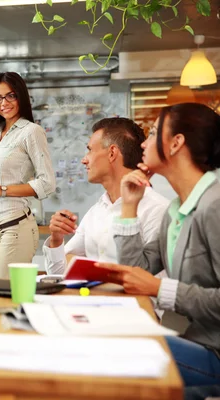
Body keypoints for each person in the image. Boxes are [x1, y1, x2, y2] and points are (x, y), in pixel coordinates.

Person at [94, 103, 220, 396]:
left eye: (152, 133)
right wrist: (129, 206)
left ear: (176, 143)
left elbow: (148, 282)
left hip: (214, 352)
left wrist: (159, 289)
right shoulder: (176, 210)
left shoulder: (214, 205)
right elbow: (136, 270)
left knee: (114, 356)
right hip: (196, 343)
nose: (143, 143)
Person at [43, 117, 169, 275]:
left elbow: (145, 277)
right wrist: (56, 239)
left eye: (90, 150)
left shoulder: (157, 209)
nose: (84, 160)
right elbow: (58, 273)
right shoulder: (97, 210)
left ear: (112, 153)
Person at [0, 72, 55, 278]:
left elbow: (47, 183)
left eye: (10, 96)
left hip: (15, 228)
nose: (3, 103)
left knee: (4, 295)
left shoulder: (31, 132)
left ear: (21, 97)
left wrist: (3, 190)